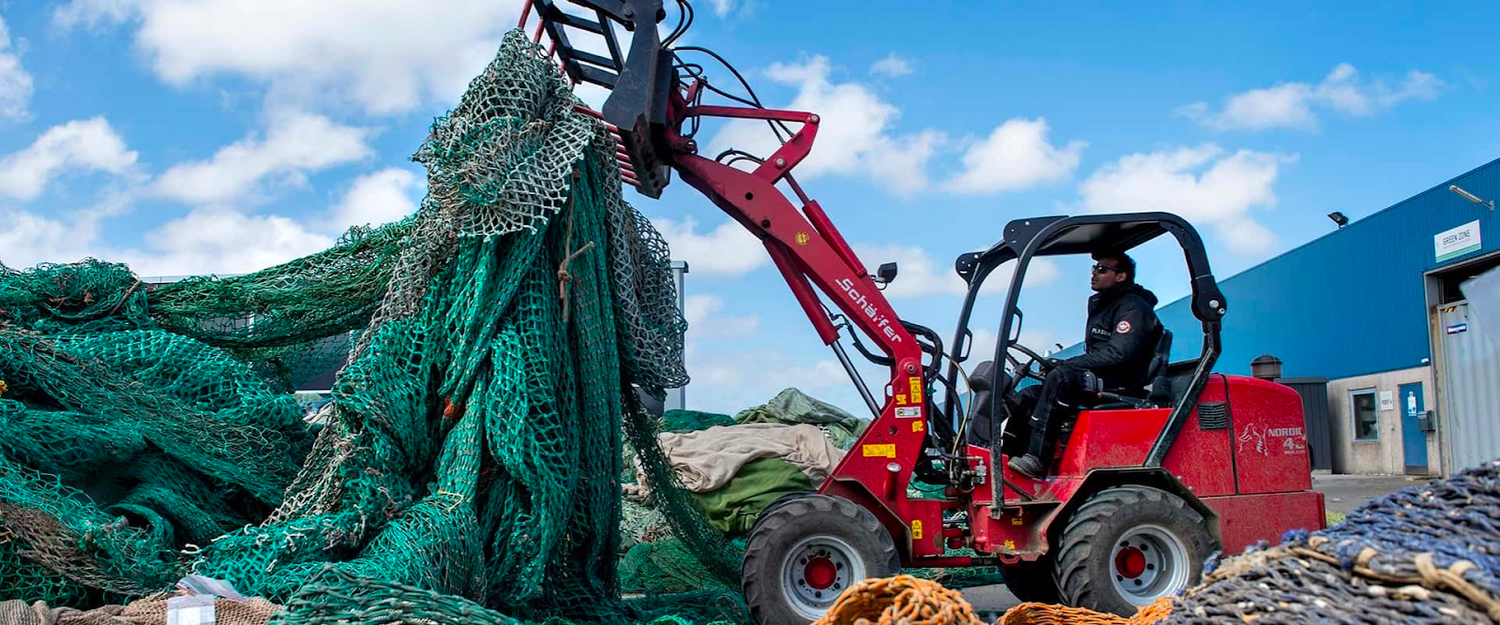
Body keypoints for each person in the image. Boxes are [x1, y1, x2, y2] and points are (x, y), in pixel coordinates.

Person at [1004, 250, 1161, 479]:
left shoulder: (1133, 308)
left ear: (1121, 276)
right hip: (1102, 376)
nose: (1094, 273)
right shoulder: (1103, 305)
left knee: (1062, 377)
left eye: (1102, 269)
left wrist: (1068, 364)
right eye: (1094, 268)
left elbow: (1119, 353)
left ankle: (1038, 459)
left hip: (1123, 381)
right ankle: (1006, 459)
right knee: (1029, 394)